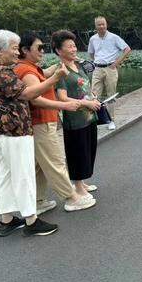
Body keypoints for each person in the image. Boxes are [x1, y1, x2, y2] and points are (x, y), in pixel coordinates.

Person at [0, 29, 69, 237]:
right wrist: (55, 77)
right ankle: (31, 220)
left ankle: (7, 220)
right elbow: (28, 93)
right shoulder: (1, 72)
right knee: (23, 175)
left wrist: (50, 72)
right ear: (1, 50)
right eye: (13, 48)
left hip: (2, 131)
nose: (16, 52)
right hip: (15, 130)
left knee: (5, 175)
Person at [15, 32, 97, 213]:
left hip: (41, 122)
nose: (42, 51)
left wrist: (53, 70)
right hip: (41, 122)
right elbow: (34, 97)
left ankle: (36, 201)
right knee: (55, 162)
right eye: (39, 48)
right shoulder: (26, 70)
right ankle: (72, 197)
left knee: (39, 166)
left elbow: (41, 78)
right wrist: (63, 104)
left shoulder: (29, 67)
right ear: (25, 50)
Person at [52, 30, 102, 196]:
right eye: (69, 47)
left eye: (74, 46)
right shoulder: (61, 71)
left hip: (89, 116)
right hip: (75, 119)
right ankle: (78, 186)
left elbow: (84, 86)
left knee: (88, 149)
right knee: (77, 152)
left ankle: (83, 182)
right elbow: (62, 97)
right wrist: (87, 102)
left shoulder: (78, 65)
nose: (74, 49)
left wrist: (92, 96)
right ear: (59, 51)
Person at [88, 16, 132, 130]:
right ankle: (96, 120)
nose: (101, 26)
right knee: (94, 95)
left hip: (110, 68)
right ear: (95, 26)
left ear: (106, 24)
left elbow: (127, 49)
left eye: (103, 24)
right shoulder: (93, 39)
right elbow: (91, 53)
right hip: (97, 68)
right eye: (99, 24)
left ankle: (111, 120)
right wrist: (97, 62)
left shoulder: (114, 37)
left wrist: (117, 62)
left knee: (111, 95)